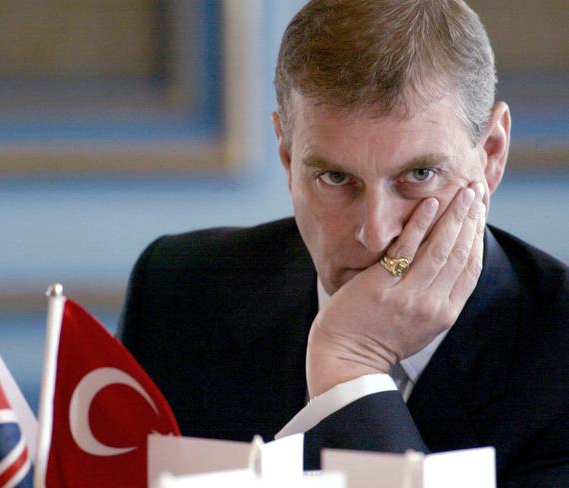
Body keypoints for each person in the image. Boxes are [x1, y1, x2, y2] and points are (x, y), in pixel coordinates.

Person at [117, 1, 569, 486]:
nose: (376, 233)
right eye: (335, 177)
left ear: (492, 155)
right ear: (288, 158)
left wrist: (350, 367)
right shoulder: (182, 292)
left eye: (419, 175)